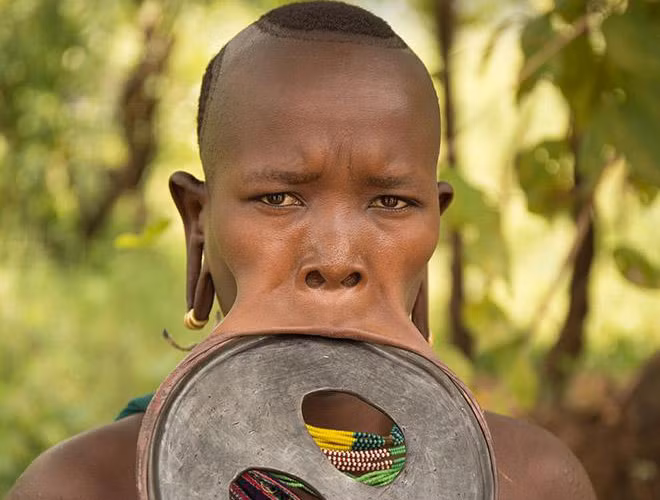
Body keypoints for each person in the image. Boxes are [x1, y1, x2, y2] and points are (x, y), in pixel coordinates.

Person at [8, 2, 596, 499]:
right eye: (279, 198)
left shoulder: (529, 481)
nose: (336, 261)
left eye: (391, 202)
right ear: (199, 223)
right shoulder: (85, 486)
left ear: (433, 228)